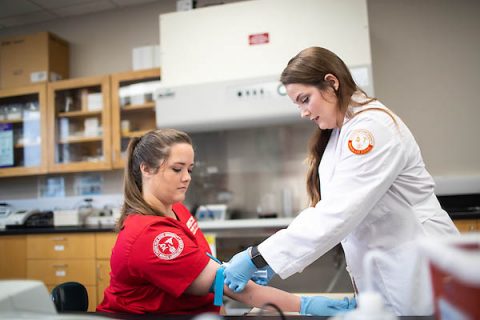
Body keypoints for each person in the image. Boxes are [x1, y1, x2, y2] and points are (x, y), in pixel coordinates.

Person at [223, 47, 459, 316]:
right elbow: (329, 209)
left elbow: (336, 214)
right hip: (391, 267)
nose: (302, 112)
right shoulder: (341, 131)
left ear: (331, 83)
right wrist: (268, 257)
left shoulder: (370, 129)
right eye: (297, 104)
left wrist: (259, 257)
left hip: (416, 264)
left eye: (305, 99)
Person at [97, 128, 356, 315]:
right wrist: (306, 305)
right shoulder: (151, 236)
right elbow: (234, 289)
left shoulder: (178, 210)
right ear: (146, 168)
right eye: (177, 169)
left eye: (190, 169)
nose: (186, 177)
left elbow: (205, 264)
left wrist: (235, 268)